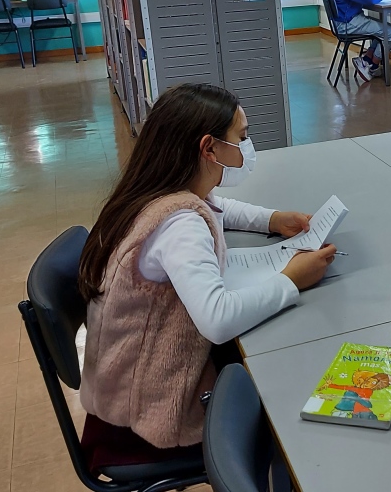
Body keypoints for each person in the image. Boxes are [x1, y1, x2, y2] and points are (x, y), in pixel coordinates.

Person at [77, 83, 336, 470]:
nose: (246, 148)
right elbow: (217, 320)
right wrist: (291, 279)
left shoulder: (159, 190)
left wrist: (272, 219)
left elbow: (218, 207)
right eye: (241, 138)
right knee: (284, 399)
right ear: (209, 148)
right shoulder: (181, 225)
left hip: (122, 384)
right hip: (149, 412)